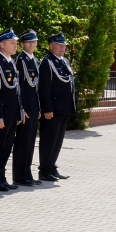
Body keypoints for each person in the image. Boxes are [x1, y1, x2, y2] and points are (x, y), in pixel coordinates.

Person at [0, 29, 24, 192]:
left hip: (12, 112)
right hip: (2, 113)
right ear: (2, 45)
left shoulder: (11, 62)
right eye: (12, 43)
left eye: (15, 43)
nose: (15, 46)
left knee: (7, 147)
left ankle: (1, 176)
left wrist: (19, 111)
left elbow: (16, 90)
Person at [38, 33, 76, 181]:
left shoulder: (64, 61)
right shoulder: (47, 62)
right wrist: (47, 108)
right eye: (59, 45)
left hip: (64, 108)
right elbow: (44, 88)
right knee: (48, 140)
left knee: (57, 140)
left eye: (64, 45)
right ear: (51, 46)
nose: (62, 47)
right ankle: (44, 170)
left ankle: (52, 166)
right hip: (52, 109)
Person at [13, 30, 44, 187]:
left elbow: (35, 87)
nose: (31, 44)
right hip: (25, 108)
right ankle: (19, 175)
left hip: (33, 107)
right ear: (22, 44)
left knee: (31, 142)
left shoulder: (33, 60)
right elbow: (20, 87)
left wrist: (37, 107)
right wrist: (21, 108)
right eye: (28, 42)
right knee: (22, 143)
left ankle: (27, 173)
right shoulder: (21, 61)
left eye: (34, 42)